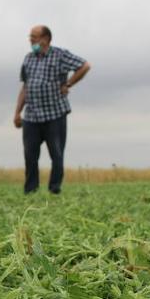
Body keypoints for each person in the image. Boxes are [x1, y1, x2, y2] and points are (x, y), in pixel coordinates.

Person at [13, 25, 91, 194]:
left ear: (45, 39)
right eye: (30, 37)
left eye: (34, 37)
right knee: (30, 155)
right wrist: (17, 112)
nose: (31, 40)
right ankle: (31, 190)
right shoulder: (28, 59)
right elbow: (25, 87)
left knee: (56, 154)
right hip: (32, 116)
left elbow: (84, 66)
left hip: (54, 114)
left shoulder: (60, 55)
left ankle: (54, 189)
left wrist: (69, 83)